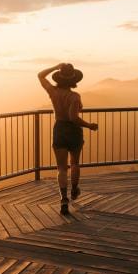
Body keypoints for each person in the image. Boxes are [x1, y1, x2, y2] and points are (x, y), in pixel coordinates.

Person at [38, 63, 98, 215]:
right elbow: (73, 118)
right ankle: (75, 189)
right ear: (73, 80)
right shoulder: (74, 96)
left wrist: (55, 67)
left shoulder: (53, 92)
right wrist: (89, 125)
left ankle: (64, 199)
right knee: (75, 163)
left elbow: (40, 75)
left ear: (59, 78)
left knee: (61, 168)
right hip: (73, 131)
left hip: (59, 129)